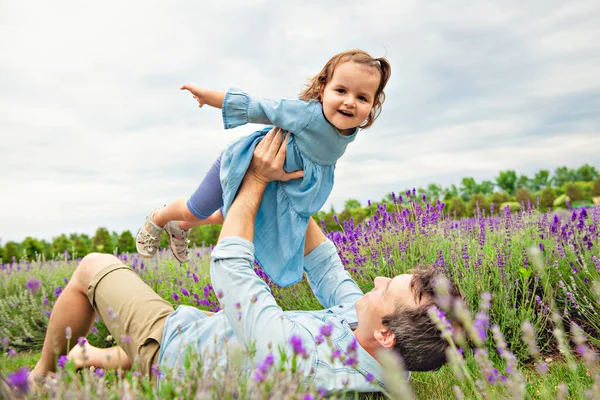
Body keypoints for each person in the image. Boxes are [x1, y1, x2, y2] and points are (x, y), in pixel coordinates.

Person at [31, 128, 461, 394]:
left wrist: (255, 180)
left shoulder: (311, 369)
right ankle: (90, 356)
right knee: (131, 351)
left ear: (387, 334)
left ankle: (39, 377)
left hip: (179, 350)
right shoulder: (377, 343)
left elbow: (233, 275)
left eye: (388, 288)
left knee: (92, 267)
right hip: (212, 336)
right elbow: (326, 265)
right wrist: (298, 188)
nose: (380, 279)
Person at [136, 49, 392, 287]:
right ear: (323, 88)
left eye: (361, 97)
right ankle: (160, 217)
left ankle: (181, 227)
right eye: (341, 91)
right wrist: (209, 97)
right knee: (197, 207)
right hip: (242, 164)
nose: (349, 102)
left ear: (373, 104)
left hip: (276, 182)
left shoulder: (348, 129)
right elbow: (258, 107)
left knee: (233, 215)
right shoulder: (306, 114)